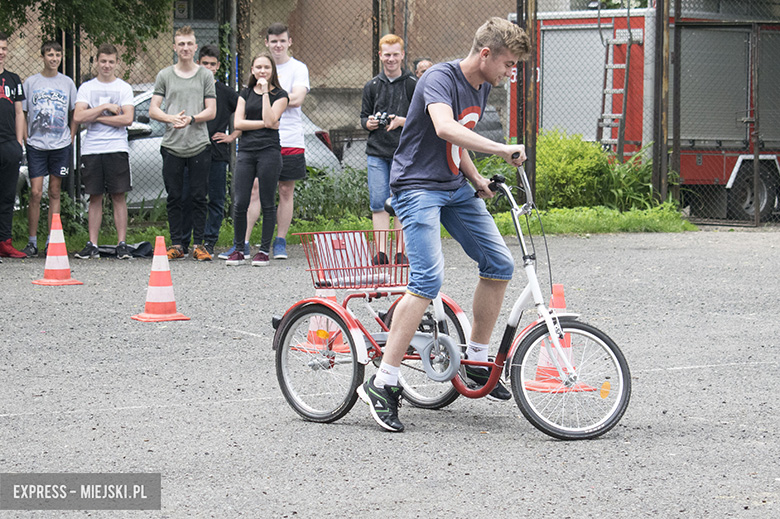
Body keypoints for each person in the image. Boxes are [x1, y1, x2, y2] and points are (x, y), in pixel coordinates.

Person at [356, 17, 531, 432]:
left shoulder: (483, 84)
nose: (511, 72)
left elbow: (457, 139)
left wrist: (476, 179)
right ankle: (383, 382)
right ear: (485, 54)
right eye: (508, 63)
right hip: (417, 187)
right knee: (427, 279)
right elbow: (443, 126)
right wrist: (501, 149)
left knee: (499, 264)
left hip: (453, 186)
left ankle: (475, 359)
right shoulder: (439, 77)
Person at [221, 22, 310, 262]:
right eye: (274, 41)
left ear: (289, 42)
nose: (278, 45)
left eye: (283, 40)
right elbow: (241, 120)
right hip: (255, 143)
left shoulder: (298, 68)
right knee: (251, 192)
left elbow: (297, 98)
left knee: (284, 190)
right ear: (267, 43)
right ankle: (243, 243)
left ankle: (278, 242)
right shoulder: (250, 86)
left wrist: (272, 97)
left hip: (288, 138)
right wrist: (265, 115)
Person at [149, 25, 216, 261]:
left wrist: (191, 119)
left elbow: (212, 110)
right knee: (175, 196)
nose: (185, 48)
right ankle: (177, 244)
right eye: (181, 44)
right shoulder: (165, 75)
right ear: (175, 47)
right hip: (172, 145)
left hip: (199, 144)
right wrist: (171, 118)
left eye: (189, 44)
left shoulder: (205, 75)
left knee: (199, 196)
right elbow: (153, 108)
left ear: (195, 47)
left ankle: (200, 244)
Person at [224, 53, 288, 267]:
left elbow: (272, 118)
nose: (262, 71)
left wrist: (263, 94)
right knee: (241, 201)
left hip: (269, 151)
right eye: (258, 67)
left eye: (266, 68)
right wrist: (265, 123)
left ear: (272, 71)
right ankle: (240, 249)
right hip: (247, 152)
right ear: (252, 70)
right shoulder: (244, 93)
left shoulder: (280, 95)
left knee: (267, 200)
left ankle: (262, 250)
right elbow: (239, 123)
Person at [72, 43, 134, 260]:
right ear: (96, 62)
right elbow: (78, 117)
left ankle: (122, 244)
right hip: (92, 149)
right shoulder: (86, 88)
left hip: (116, 148)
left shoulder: (124, 88)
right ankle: (93, 244)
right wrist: (105, 108)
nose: (106, 65)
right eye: (103, 61)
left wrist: (95, 117)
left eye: (111, 61)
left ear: (116, 63)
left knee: (118, 195)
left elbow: (127, 119)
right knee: (94, 196)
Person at [359, 33, 416, 263]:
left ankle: (401, 252)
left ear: (402, 55)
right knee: (378, 202)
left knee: (400, 200)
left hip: (403, 153)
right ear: (380, 55)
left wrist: (402, 121)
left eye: (395, 54)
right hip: (376, 152)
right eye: (386, 55)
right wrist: (369, 123)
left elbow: (424, 117)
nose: (390, 59)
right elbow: (363, 117)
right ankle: (381, 253)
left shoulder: (413, 85)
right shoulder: (371, 86)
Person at [180, 44, 240, 256]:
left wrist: (233, 135)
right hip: (190, 150)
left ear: (218, 67)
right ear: (198, 63)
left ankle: (209, 241)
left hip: (216, 152)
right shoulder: (190, 87)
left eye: (212, 64)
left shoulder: (225, 92)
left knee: (216, 198)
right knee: (188, 197)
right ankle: (184, 242)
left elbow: (246, 109)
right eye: (204, 63)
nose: (208, 67)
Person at [21, 40, 77, 258]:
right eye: (50, 55)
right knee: (35, 192)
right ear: (43, 56)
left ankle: (51, 241)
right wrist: (26, 136)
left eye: (57, 55)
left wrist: (71, 135)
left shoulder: (67, 83)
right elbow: (23, 112)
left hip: (60, 145)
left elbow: (75, 112)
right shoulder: (31, 83)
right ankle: (32, 241)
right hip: (36, 145)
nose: (54, 59)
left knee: (55, 191)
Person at [0, 31, 27, 259]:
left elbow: (19, 112)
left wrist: (19, 143)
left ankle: (5, 242)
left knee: (8, 195)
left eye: (4, 48)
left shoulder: (13, 79)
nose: (1, 52)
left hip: (9, 145)